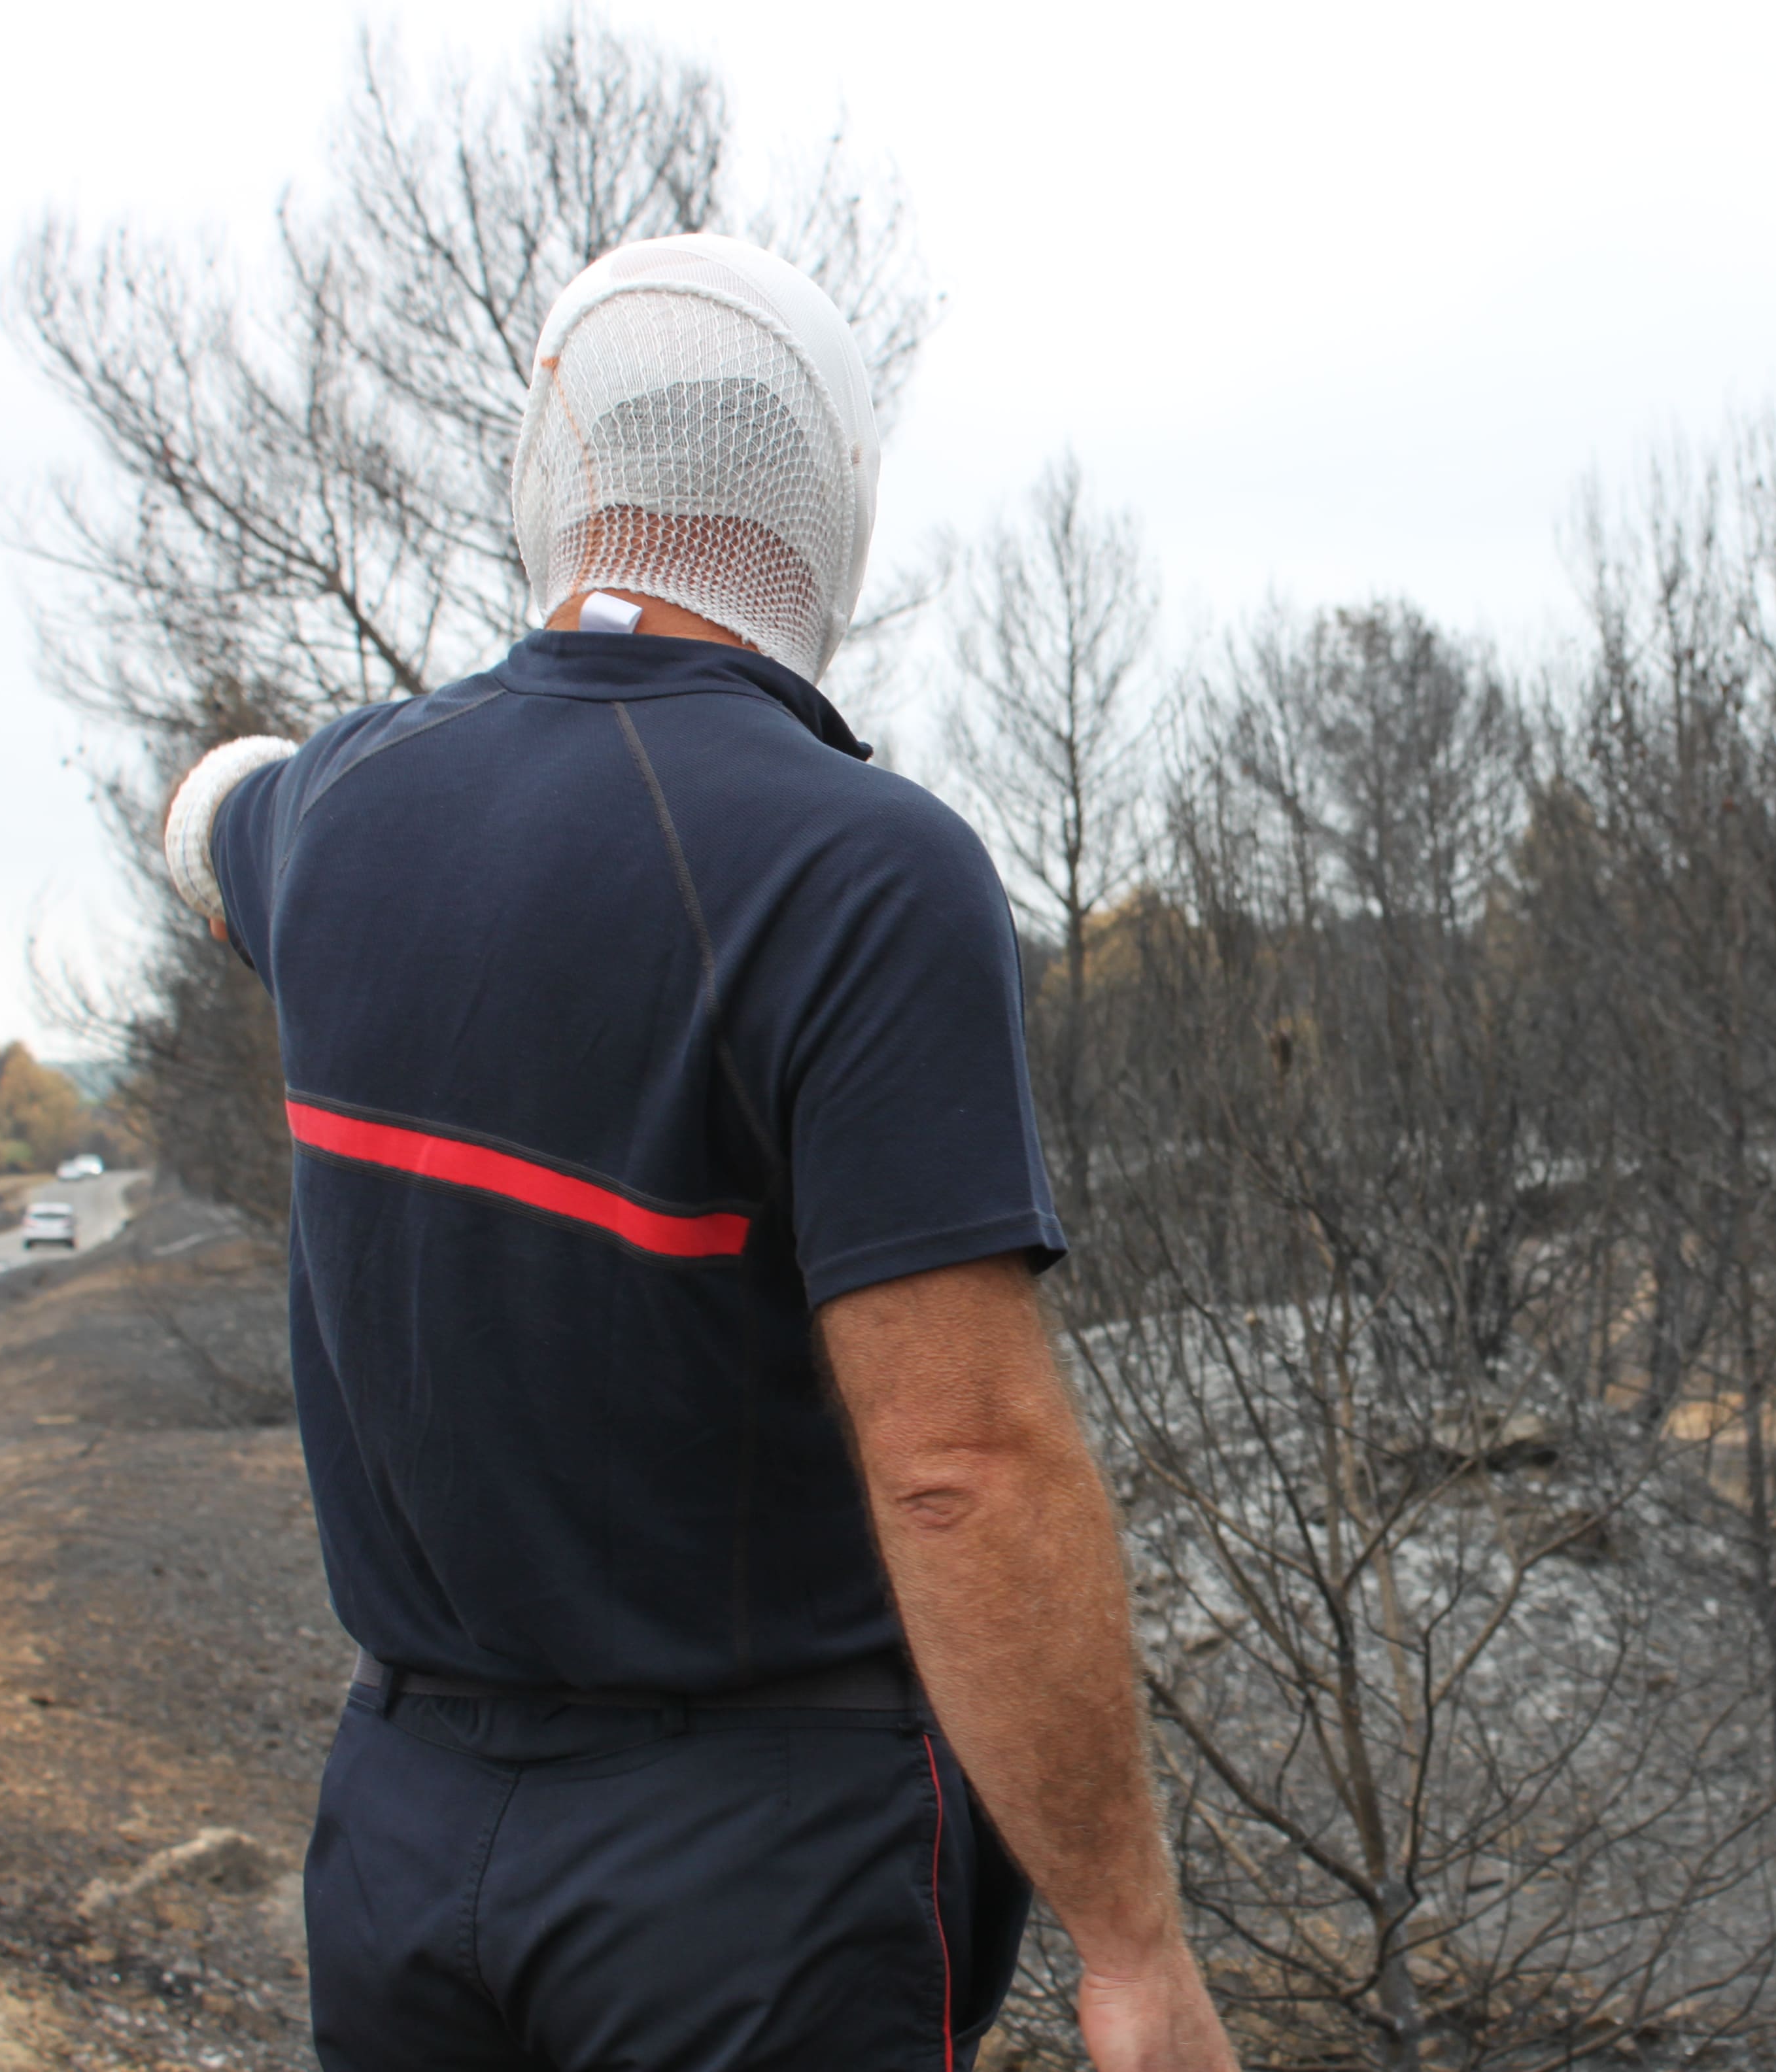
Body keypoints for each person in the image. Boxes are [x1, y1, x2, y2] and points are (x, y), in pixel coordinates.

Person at [158, 232, 1234, 2072]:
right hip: (751, 1880)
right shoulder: (859, 871)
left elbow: (205, 818)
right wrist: (1131, 1951)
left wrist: (328, 809)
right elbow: (962, 1466)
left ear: (561, 472)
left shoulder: (332, 812)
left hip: (402, 1846)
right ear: (827, 516)